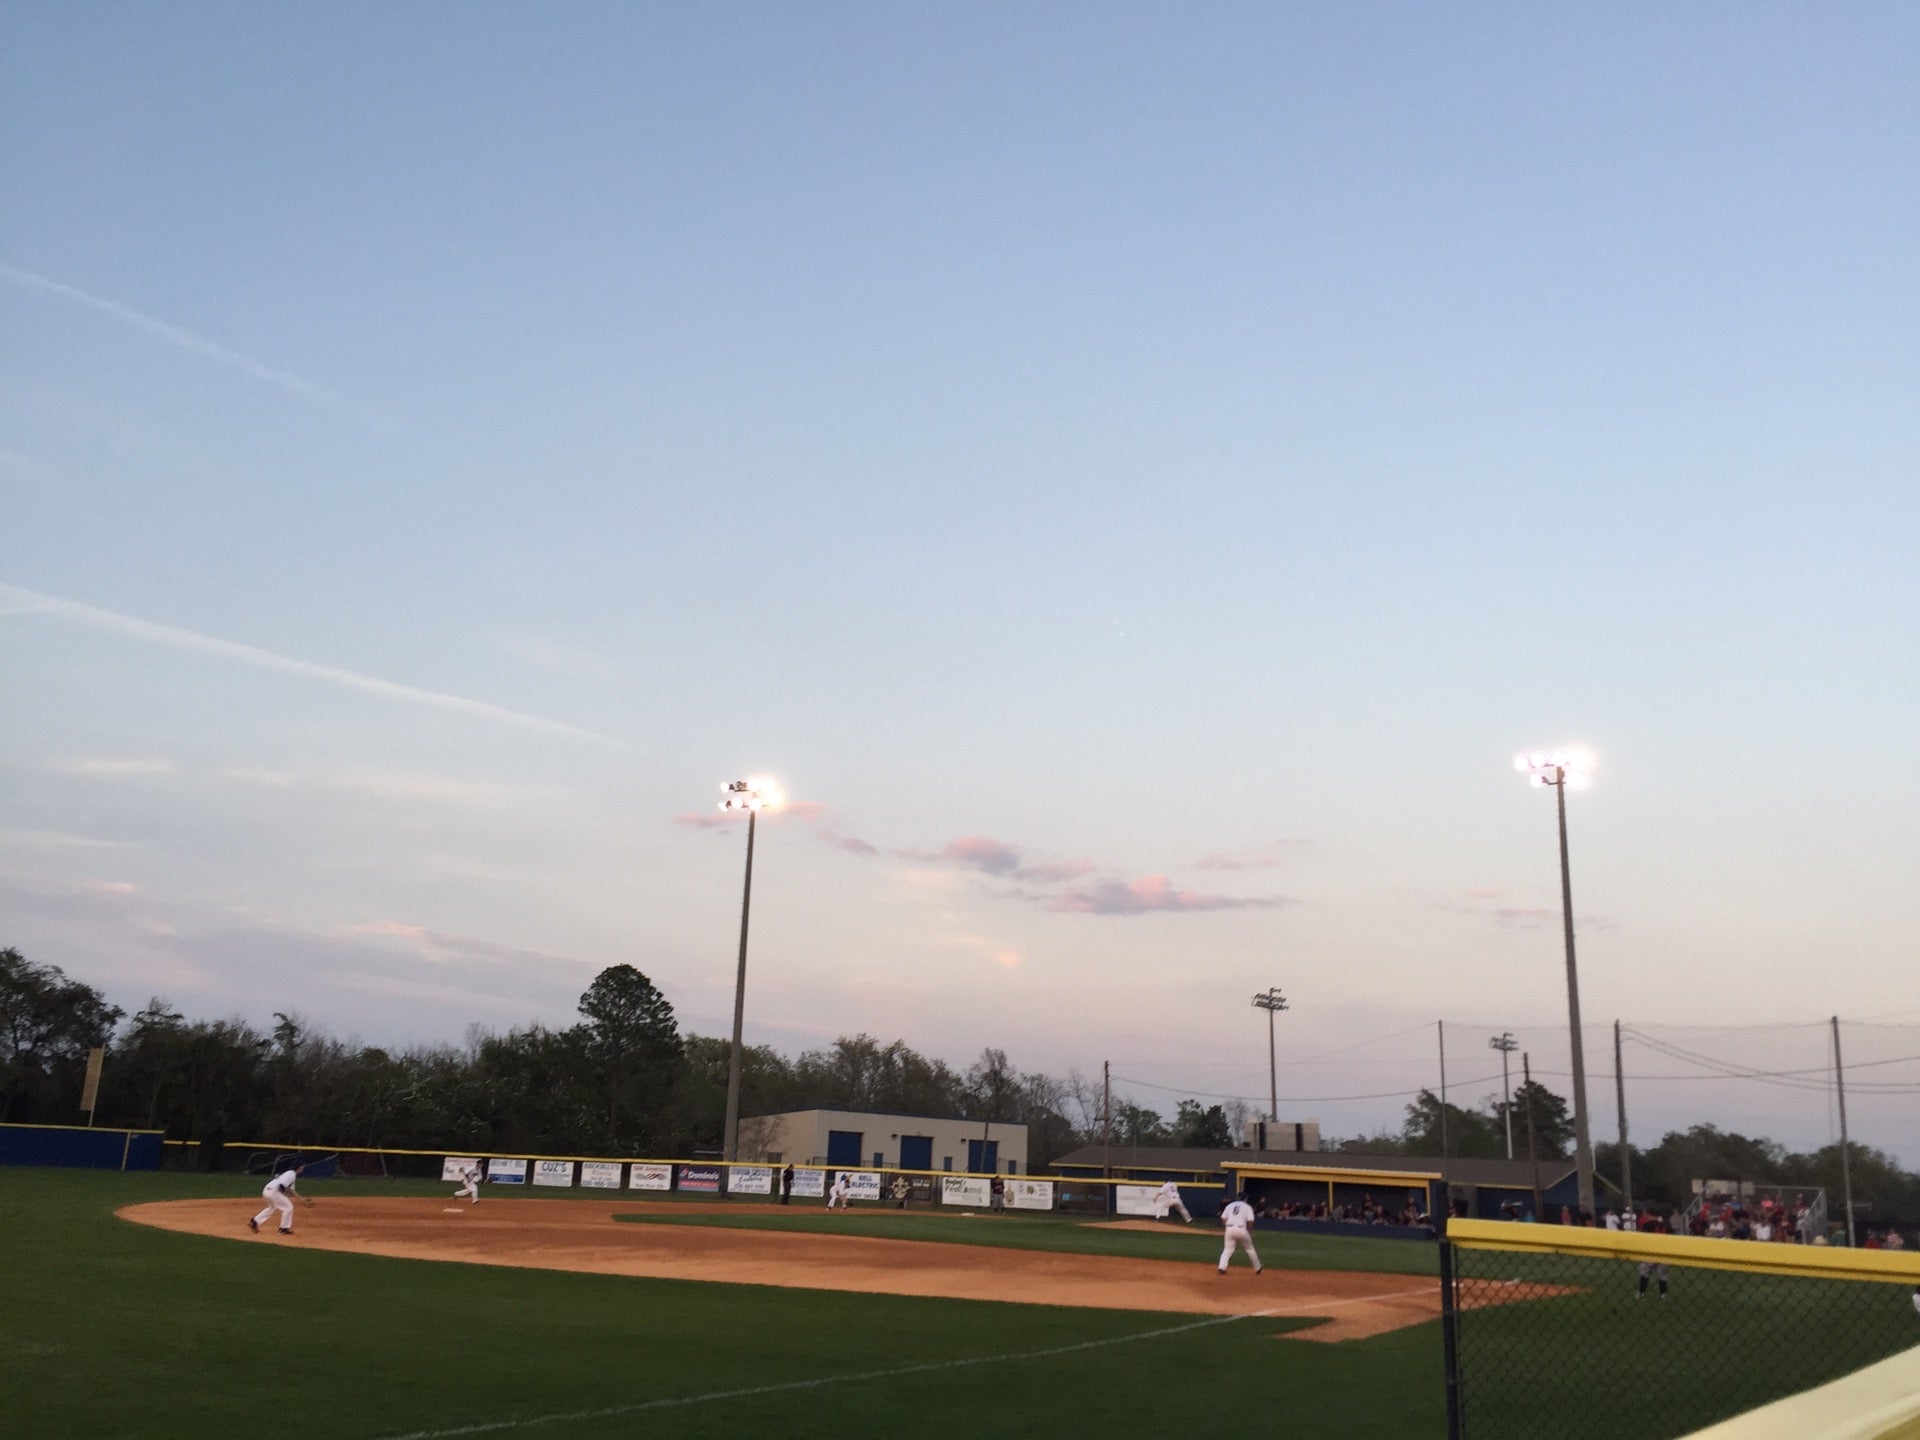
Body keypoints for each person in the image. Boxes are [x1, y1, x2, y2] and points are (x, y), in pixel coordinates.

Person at [249, 1163, 311, 1235]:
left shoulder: (289, 1174)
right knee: (288, 1207)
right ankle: (283, 1229)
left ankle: (254, 1222)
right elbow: (282, 1186)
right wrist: (283, 1194)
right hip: (273, 1192)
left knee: (271, 1207)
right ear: (298, 1168)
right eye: (302, 1168)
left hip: (266, 1190)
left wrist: (301, 1199)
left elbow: (291, 1190)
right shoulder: (292, 1174)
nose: (302, 1169)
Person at [1218, 1196, 1263, 1274]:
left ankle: (1222, 1267)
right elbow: (1250, 1221)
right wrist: (1250, 1232)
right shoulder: (1247, 1207)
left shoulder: (1230, 1205)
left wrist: (1227, 1228)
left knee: (1227, 1249)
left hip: (1229, 1228)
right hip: (1241, 1229)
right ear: (1246, 1199)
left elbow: (1223, 1218)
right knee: (1249, 1249)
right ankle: (1258, 1268)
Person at [1635, 1209, 1670, 1300]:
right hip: (1664, 1252)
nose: (1644, 1216)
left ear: (1649, 1214)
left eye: (1645, 1214)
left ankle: (1641, 1294)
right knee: (1662, 1275)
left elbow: (1643, 1239)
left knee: (1644, 1273)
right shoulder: (1665, 1225)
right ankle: (1663, 1295)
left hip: (1651, 1252)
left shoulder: (1647, 1224)